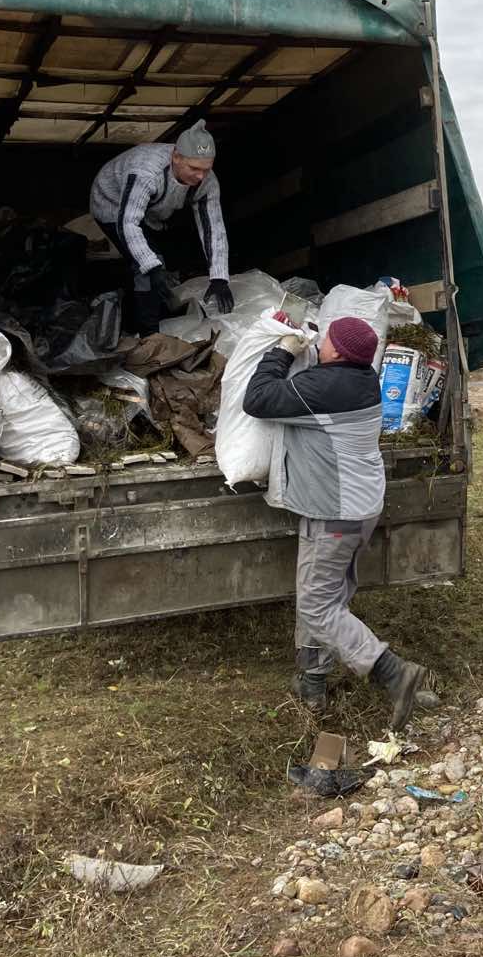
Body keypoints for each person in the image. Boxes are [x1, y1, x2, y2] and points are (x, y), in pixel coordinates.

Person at [242, 313, 433, 729]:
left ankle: (393, 672)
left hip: (335, 512)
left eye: (327, 338)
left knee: (316, 602)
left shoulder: (327, 387)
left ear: (338, 352)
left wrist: (280, 351)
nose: (321, 341)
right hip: (358, 507)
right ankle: (312, 679)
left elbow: (256, 399)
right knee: (328, 597)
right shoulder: (359, 377)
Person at [90, 119, 232, 333]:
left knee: (167, 258)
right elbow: (128, 222)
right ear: (176, 157)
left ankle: (163, 311)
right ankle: (148, 336)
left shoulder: (207, 180)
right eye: (194, 168)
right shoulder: (146, 171)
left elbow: (213, 227)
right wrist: (152, 265)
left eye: (206, 169)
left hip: (153, 211)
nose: (200, 176)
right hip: (111, 204)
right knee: (146, 267)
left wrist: (219, 277)